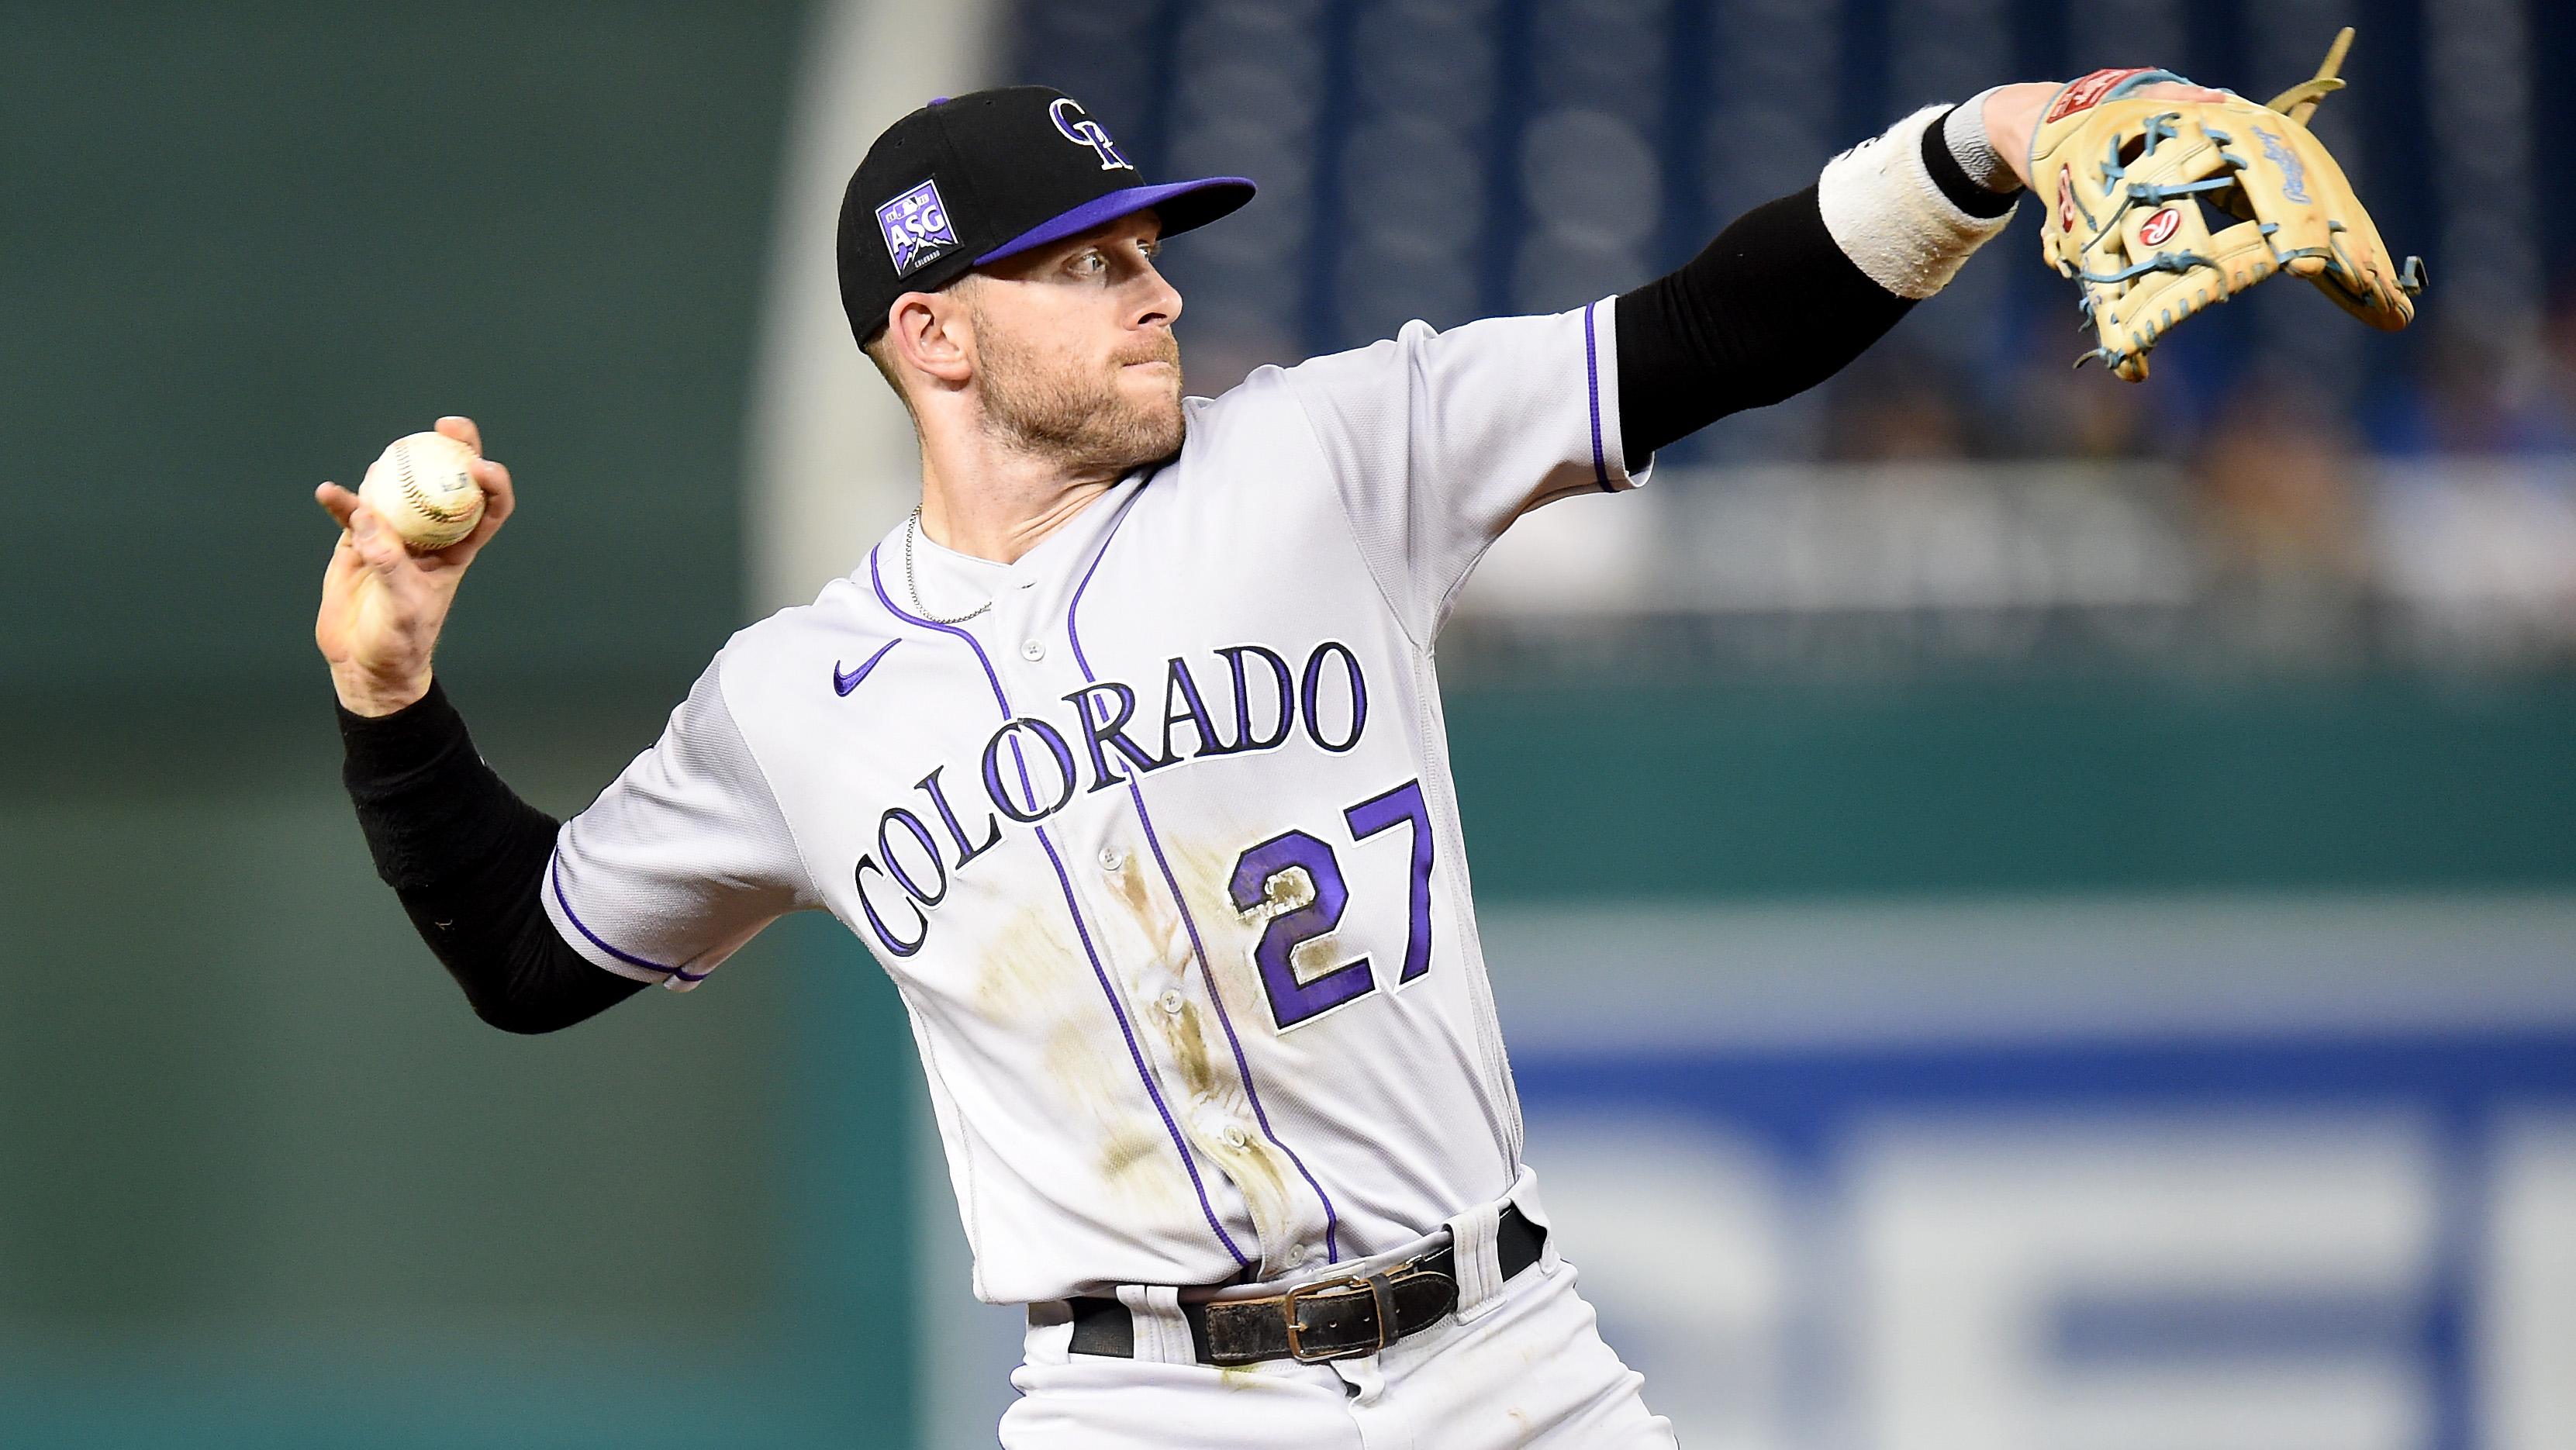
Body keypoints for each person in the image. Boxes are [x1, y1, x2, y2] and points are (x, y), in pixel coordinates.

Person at [316, 78, 2207, 1448]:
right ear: (933, 333)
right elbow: (526, 949)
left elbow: (1700, 333)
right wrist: (392, 702)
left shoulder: (1322, 455)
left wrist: (1982, 139)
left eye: (1152, 246)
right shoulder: (790, 701)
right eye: (1089, 262)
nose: (1155, 290)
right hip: (1139, 1401)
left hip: (1502, 1361)